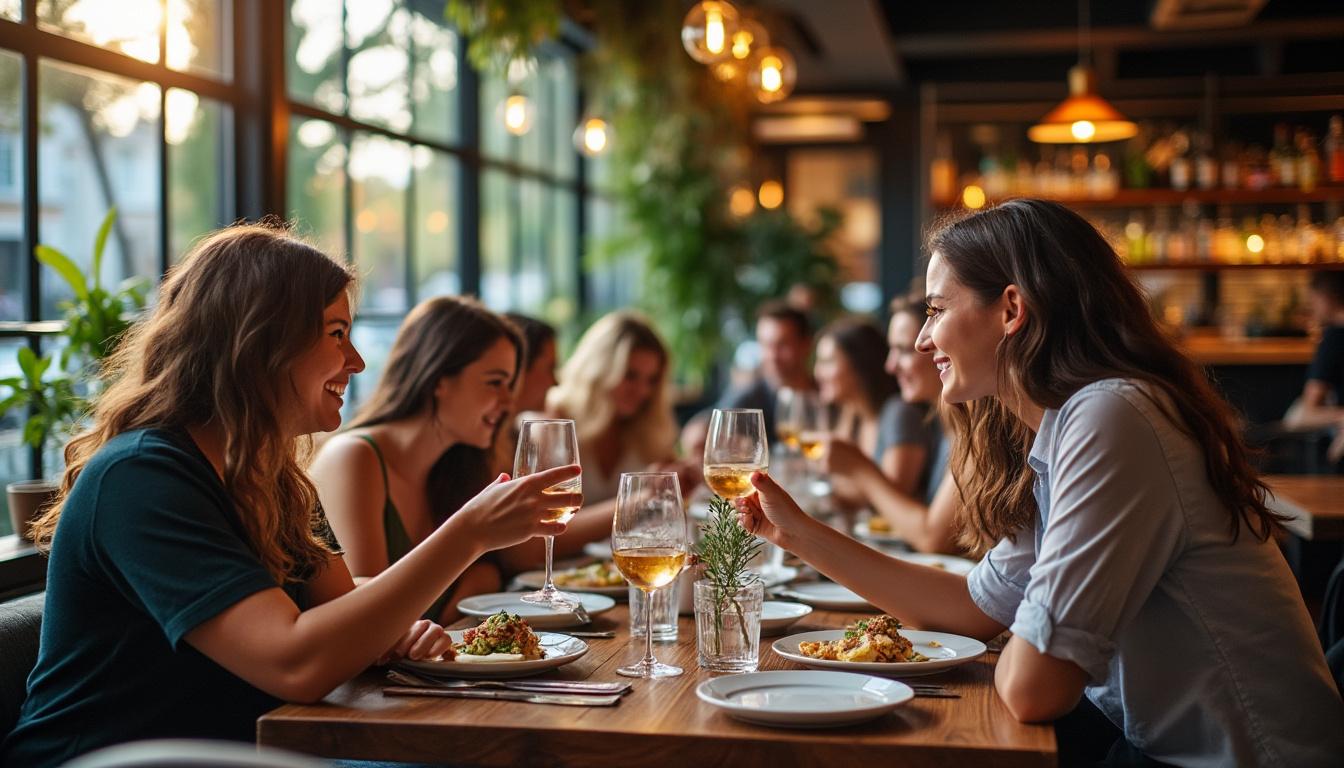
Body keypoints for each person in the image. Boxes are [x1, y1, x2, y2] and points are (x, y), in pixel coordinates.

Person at [735, 199, 1344, 766]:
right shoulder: (1068, 425)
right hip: (1153, 742)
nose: (923, 339)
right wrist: (799, 536)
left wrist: (1021, 639)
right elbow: (972, 608)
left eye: (937, 310)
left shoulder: (1112, 417)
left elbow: (1032, 689)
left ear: (1010, 309)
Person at [0, 224, 580, 766]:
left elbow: (335, 601)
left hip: (253, 747)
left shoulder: (270, 476)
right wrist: (469, 534)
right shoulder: (140, 477)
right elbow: (296, 662)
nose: (355, 361)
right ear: (259, 343)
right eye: (335, 334)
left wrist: (390, 625)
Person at [309, 296, 525, 623]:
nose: (509, 402)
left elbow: (488, 572)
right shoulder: (354, 458)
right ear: (439, 378)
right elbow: (366, 617)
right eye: (495, 382)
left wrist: (480, 579)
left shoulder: (458, 466)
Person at [823, 294, 960, 553]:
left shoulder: (973, 430)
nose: (890, 366)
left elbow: (932, 539)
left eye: (905, 350)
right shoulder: (943, 426)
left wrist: (860, 469)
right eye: (891, 350)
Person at [547, 310, 681, 504]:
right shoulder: (556, 418)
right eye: (630, 375)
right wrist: (642, 498)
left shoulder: (650, 427)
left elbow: (673, 502)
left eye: (651, 380)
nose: (642, 391)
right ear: (598, 371)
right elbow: (554, 530)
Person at [717, 301, 814, 443]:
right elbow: (713, 424)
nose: (772, 356)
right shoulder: (747, 400)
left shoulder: (828, 396)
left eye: (783, 344)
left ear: (806, 345)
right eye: (766, 345)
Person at [813, 317, 900, 462]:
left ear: (859, 365)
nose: (817, 372)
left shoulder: (897, 413)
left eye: (827, 362)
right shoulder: (852, 415)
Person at [1285, 271, 1344, 462]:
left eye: (1313, 300)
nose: (1312, 308)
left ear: (1327, 298)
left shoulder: (1334, 338)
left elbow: (1310, 410)